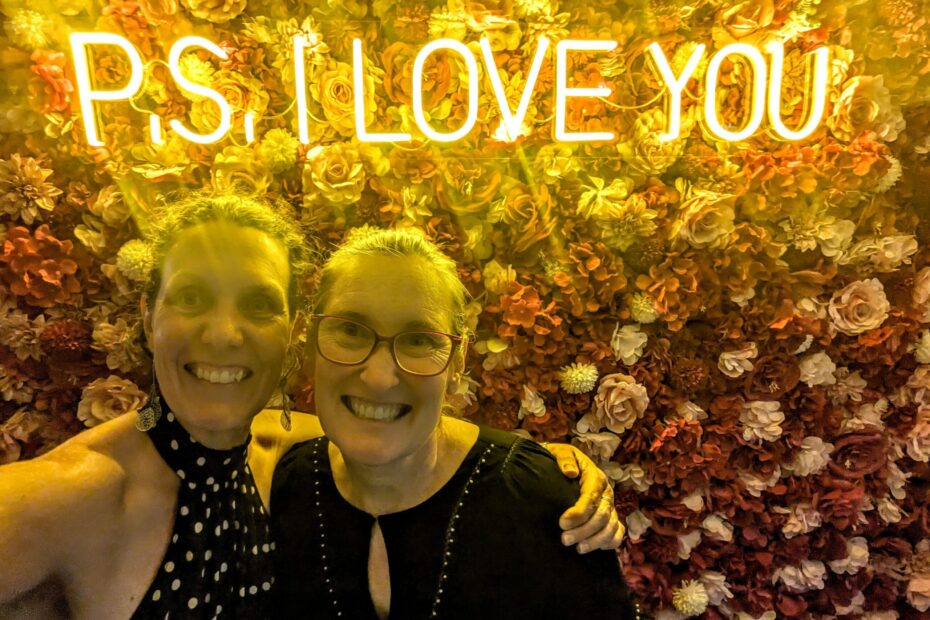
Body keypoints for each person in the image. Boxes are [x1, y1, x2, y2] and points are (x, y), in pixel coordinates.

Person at [0, 192, 623, 619]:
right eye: (191, 297)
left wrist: (541, 469)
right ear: (147, 315)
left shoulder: (277, 454)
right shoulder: (74, 491)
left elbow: (396, 419)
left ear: (293, 330)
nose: (223, 334)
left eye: (258, 304)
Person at [271, 228, 640, 619]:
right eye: (349, 330)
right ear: (309, 341)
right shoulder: (286, 484)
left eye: (418, 340)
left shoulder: (540, 500)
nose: (379, 377)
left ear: (458, 360)